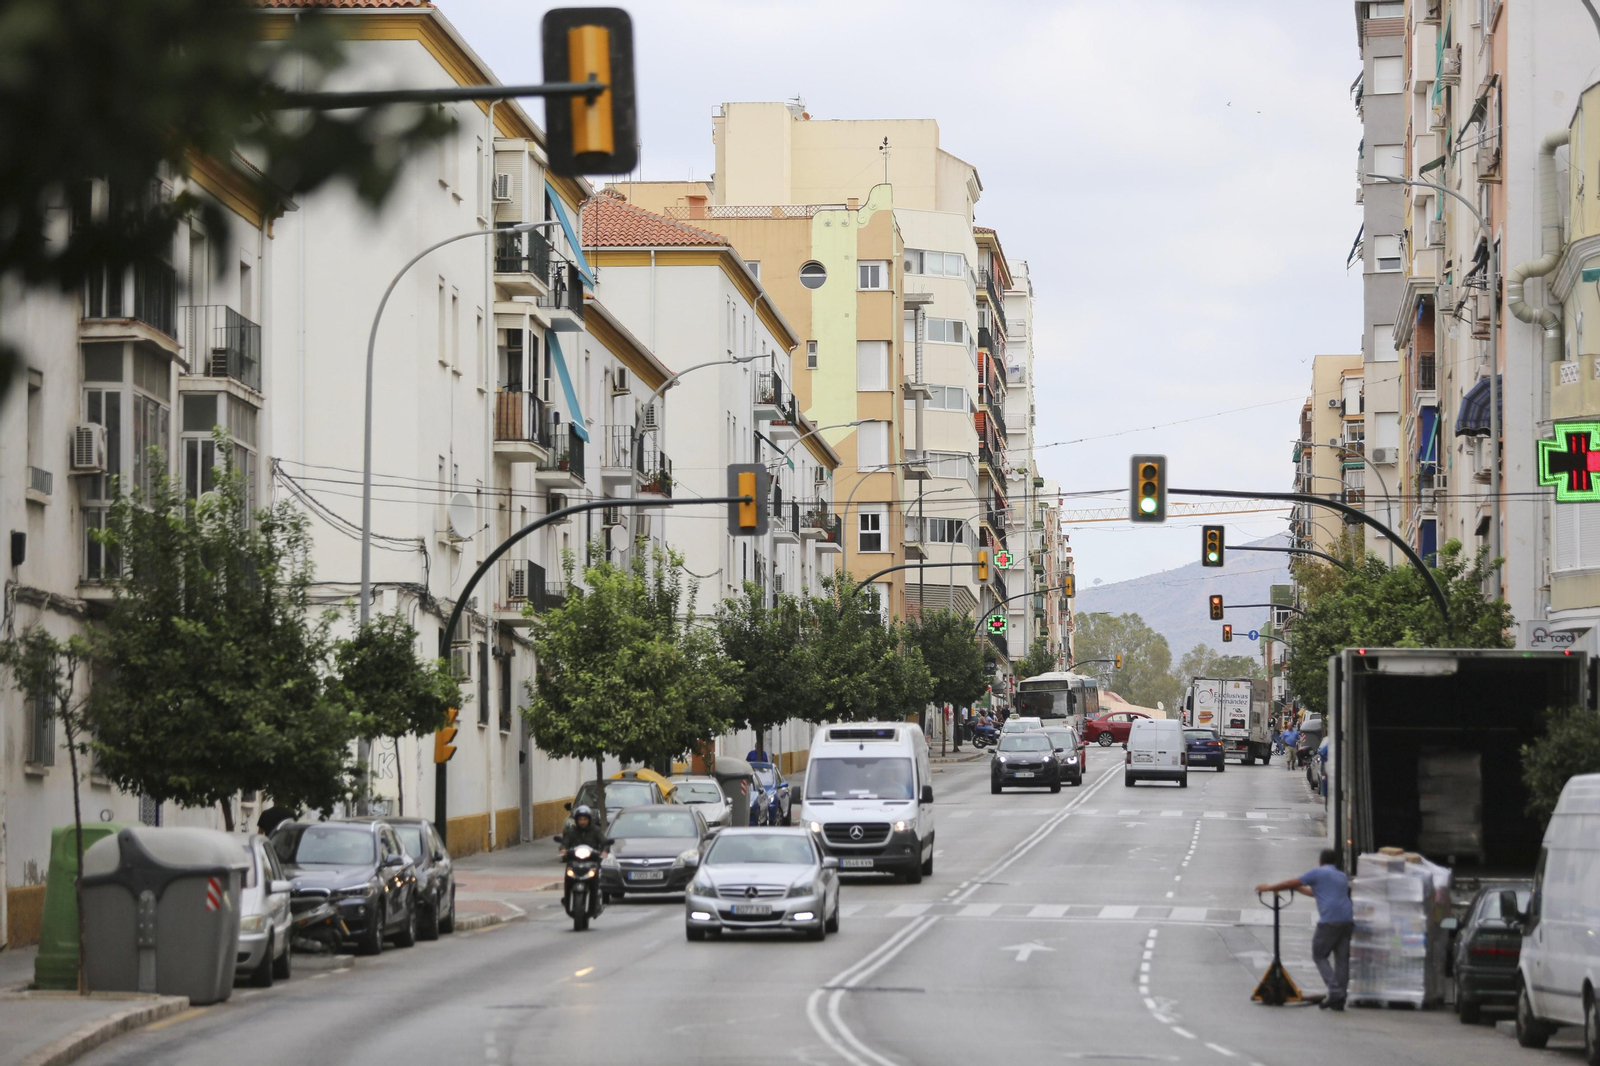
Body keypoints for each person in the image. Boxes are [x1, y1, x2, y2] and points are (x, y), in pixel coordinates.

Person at [1256, 849, 1353, 1010]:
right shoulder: (1341, 876)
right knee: (1342, 960)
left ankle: (1335, 992)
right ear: (1335, 862)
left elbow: (1288, 883)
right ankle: (1340, 997)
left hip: (1329, 921)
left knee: (1319, 955)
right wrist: (1298, 888)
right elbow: (1315, 893)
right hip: (1347, 921)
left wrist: (1268, 888)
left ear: (1321, 862)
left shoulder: (1318, 872)